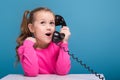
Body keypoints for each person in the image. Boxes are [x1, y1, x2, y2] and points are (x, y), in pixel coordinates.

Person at [16, 7, 71, 77]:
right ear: (31, 28)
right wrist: (28, 45)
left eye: (51, 23)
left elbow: (62, 72)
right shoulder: (25, 48)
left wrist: (64, 42)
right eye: (42, 23)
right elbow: (31, 73)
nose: (49, 27)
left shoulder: (58, 46)